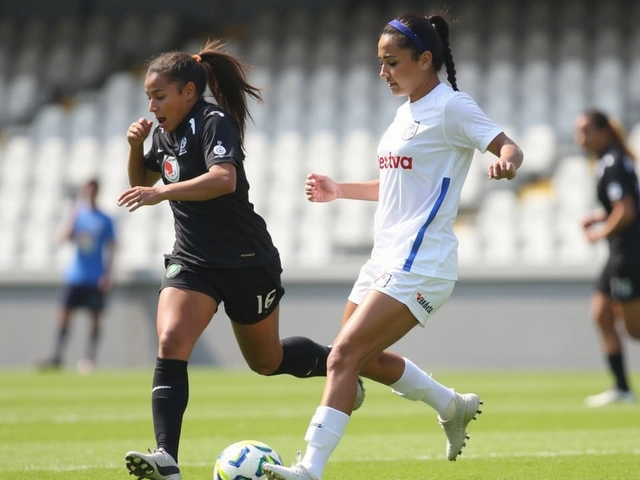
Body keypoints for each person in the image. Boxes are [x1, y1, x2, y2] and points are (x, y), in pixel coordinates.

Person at [263, 13, 523, 480]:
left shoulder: (452, 107)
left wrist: (505, 163)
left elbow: (509, 148)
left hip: (423, 263)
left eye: (392, 62)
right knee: (357, 359)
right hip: (385, 257)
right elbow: (398, 185)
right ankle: (451, 405)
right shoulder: (405, 111)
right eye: (380, 63)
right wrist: (340, 189)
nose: (383, 72)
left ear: (425, 60)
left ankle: (310, 468)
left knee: (342, 357)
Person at [118, 40, 364, 480]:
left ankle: (336, 364)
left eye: (159, 96)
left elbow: (223, 179)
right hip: (193, 261)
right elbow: (143, 181)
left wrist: (162, 191)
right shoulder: (161, 133)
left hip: (247, 259)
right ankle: (167, 458)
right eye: (148, 98)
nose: (152, 106)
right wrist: (136, 149)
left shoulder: (214, 121)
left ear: (188, 92)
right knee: (171, 340)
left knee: (265, 361)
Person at [574, 109, 640, 407]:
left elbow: (626, 212)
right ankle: (623, 388)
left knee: (635, 330)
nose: (581, 139)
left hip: (628, 252)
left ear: (603, 132)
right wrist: (600, 217)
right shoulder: (607, 161)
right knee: (600, 314)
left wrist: (598, 233)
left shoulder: (612, 162)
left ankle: (623, 388)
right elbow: (623, 205)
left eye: (586, 131)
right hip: (618, 251)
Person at [37, 178, 116, 375]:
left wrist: (107, 274)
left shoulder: (105, 219)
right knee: (64, 316)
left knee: (95, 318)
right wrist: (72, 217)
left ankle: (89, 358)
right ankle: (57, 355)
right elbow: (63, 239)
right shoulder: (77, 215)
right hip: (76, 276)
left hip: (95, 276)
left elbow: (111, 248)